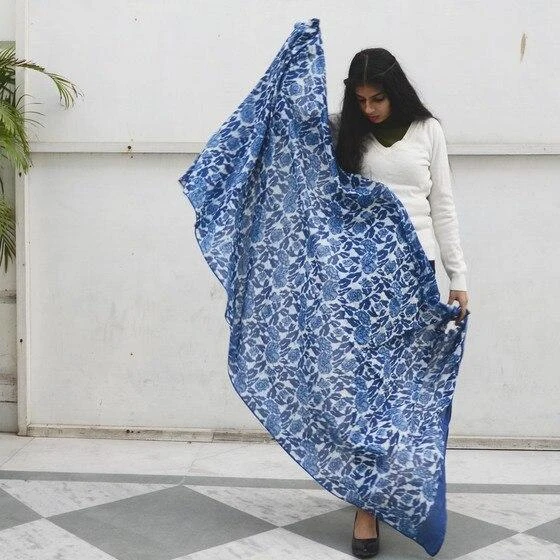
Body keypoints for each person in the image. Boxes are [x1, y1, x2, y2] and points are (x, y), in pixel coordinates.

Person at [329, 48, 470, 558]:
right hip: (361, 276)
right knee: (364, 388)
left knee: (403, 389)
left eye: (377, 99)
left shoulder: (428, 131)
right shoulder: (342, 131)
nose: (368, 109)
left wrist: (458, 276)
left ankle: (388, 490)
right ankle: (366, 506)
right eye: (360, 100)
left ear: (396, 93)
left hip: (415, 276)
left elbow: (442, 205)